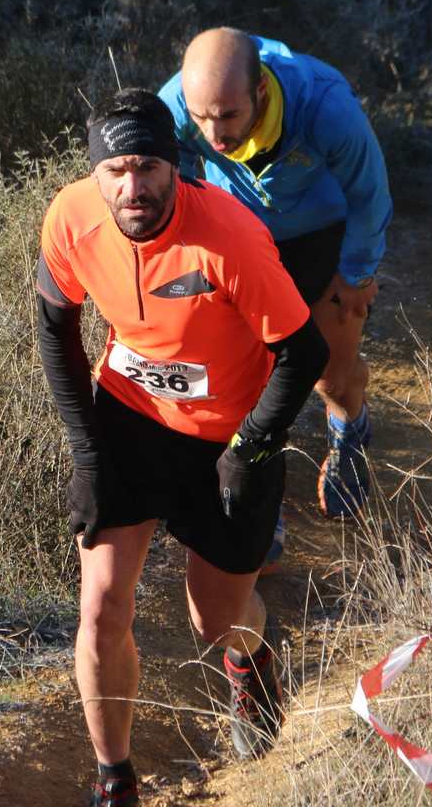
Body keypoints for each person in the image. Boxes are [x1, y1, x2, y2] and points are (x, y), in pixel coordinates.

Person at [37, 89, 329, 807]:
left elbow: (303, 350)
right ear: (95, 174)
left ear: (176, 165)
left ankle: (252, 658)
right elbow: (55, 326)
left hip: (232, 433)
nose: (133, 187)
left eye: (148, 168)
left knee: (214, 619)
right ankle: (116, 782)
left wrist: (250, 447)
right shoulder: (71, 217)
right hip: (133, 418)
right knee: (102, 602)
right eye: (117, 171)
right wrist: (87, 454)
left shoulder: (229, 235)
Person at [158, 29, 391, 527]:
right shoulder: (178, 102)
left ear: (260, 91)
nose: (213, 133)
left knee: (331, 373)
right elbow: (160, 170)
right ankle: (260, 503)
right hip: (243, 240)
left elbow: (370, 195)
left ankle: (350, 430)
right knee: (246, 379)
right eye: (201, 117)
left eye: (227, 116)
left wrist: (358, 273)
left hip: (322, 237)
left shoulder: (325, 108)